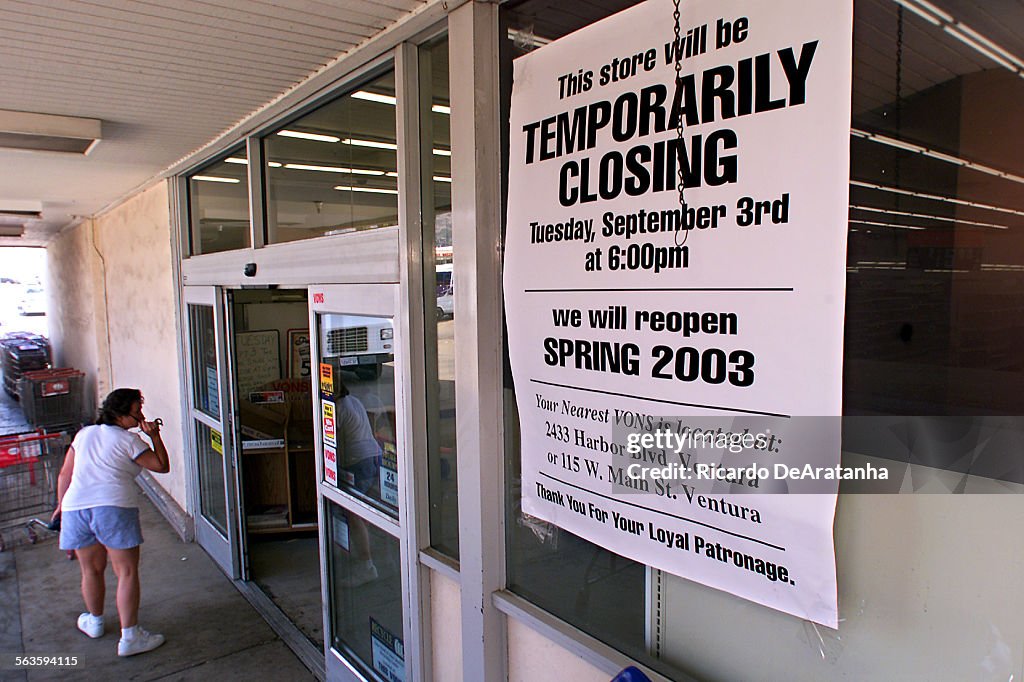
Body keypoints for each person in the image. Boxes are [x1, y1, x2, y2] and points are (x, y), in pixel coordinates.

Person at [54, 388, 170, 657]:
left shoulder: (83, 435)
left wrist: (61, 507)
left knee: (90, 570)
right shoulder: (129, 441)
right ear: (120, 414)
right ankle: (130, 637)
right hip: (113, 506)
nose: (140, 416)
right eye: (136, 411)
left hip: (76, 508)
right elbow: (161, 465)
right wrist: (154, 436)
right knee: (126, 572)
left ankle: (94, 622)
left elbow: (64, 474)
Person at [335, 376, 382, 587]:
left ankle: (366, 566)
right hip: (372, 456)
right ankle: (375, 557)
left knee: (354, 515)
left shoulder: (336, 408)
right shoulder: (353, 400)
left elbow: (330, 441)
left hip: (357, 462)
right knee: (365, 512)